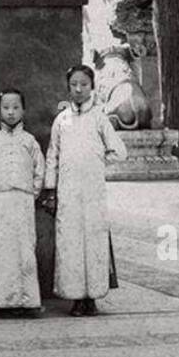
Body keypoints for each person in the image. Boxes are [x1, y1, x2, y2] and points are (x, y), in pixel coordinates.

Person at [41, 64, 128, 316]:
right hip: (67, 192)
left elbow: (119, 151)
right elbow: (52, 156)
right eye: (74, 85)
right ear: (68, 87)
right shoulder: (61, 120)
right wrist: (50, 188)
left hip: (93, 192)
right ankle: (76, 297)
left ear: (92, 87)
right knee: (71, 243)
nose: (79, 89)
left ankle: (93, 297)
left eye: (84, 85)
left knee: (94, 241)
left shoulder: (99, 118)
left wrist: (98, 161)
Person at [0, 88, 45, 315]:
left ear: (23, 109)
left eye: (15, 107)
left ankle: (26, 301)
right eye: (6, 108)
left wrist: (30, 195)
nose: (11, 112)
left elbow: (39, 171)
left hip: (22, 202)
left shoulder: (30, 141)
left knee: (23, 250)